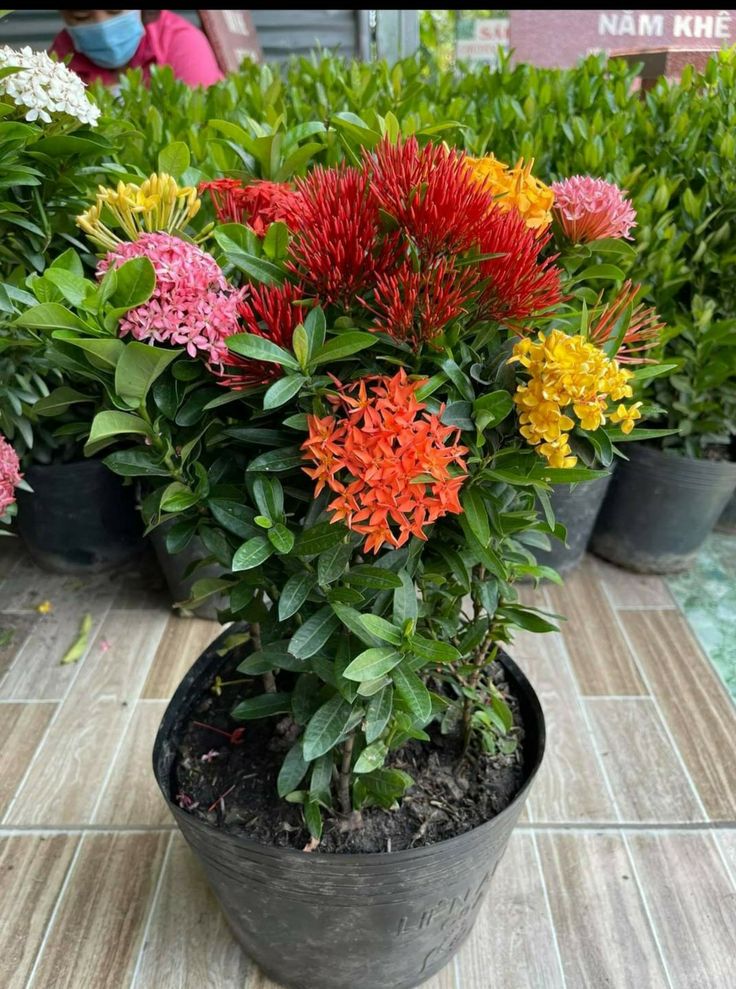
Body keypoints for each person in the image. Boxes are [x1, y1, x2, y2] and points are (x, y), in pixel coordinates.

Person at [50, 9, 224, 87]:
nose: (102, 24)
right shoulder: (58, 59)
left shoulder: (181, 42)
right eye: (81, 15)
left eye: (115, 10)